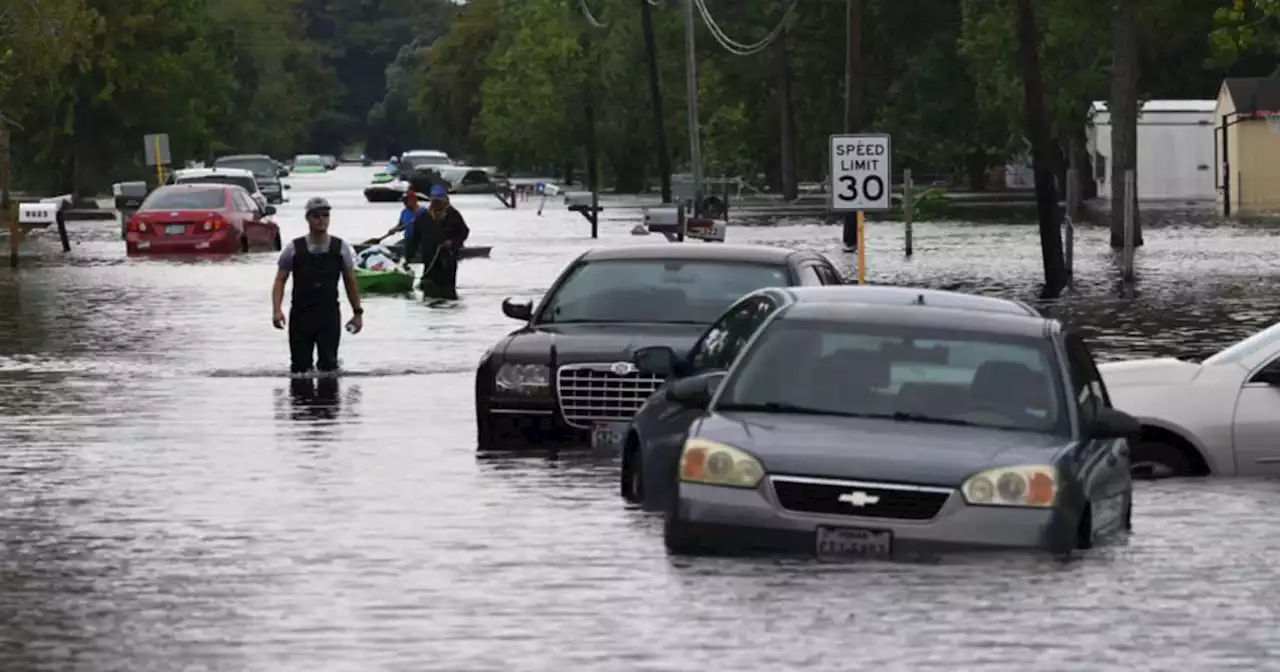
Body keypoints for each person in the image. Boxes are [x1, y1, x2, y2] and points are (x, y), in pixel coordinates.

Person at [272, 196, 364, 375]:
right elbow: (280, 280)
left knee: (329, 368)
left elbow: (350, 281)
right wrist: (277, 310)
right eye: (316, 216)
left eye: (325, 215)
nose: (321, 220)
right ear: (307, 218)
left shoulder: (341, 248)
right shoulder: (293, 249)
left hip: (328, 315)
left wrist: (357, 313)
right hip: (301, 316)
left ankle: (328, 402)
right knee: (299, 369)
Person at [405, 184, 469, 301]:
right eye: (434, 201)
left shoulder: (453, 215)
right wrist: (408, 258)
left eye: (438, 201)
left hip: (447, 261)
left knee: (447, 292)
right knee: (429, 292)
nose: (436, 203)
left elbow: (463, 232)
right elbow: (415, 239)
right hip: (429, 260)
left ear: (445, 200)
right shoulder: (424, 217)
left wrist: (452, 242)